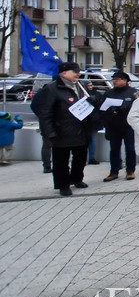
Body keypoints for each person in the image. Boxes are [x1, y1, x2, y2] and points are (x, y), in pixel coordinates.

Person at [37, 62, 96, 197]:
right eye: (74, 71)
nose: (78, 74)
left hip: (81, 130)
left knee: (80, 158)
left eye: (78, 71)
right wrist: (49, 133)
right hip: (61, 131)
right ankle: (63, 185)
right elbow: (45, 112)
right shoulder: (52, 89)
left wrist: (93, 100)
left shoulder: (79, 86)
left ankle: (77, 178)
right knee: (61, 161)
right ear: (64, 73)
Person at [98, 71, 138, 182]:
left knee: (130, 148)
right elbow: (101, 109)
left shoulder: (133, 93)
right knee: (114, 149)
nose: (115, 81)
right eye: (114, 79)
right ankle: (114, 171)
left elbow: (138, 108)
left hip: (128, 125)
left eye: (118, 79)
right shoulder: (109, 93)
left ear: (125, 81)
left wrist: (125, 108)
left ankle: (130, 170)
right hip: (113, 126)